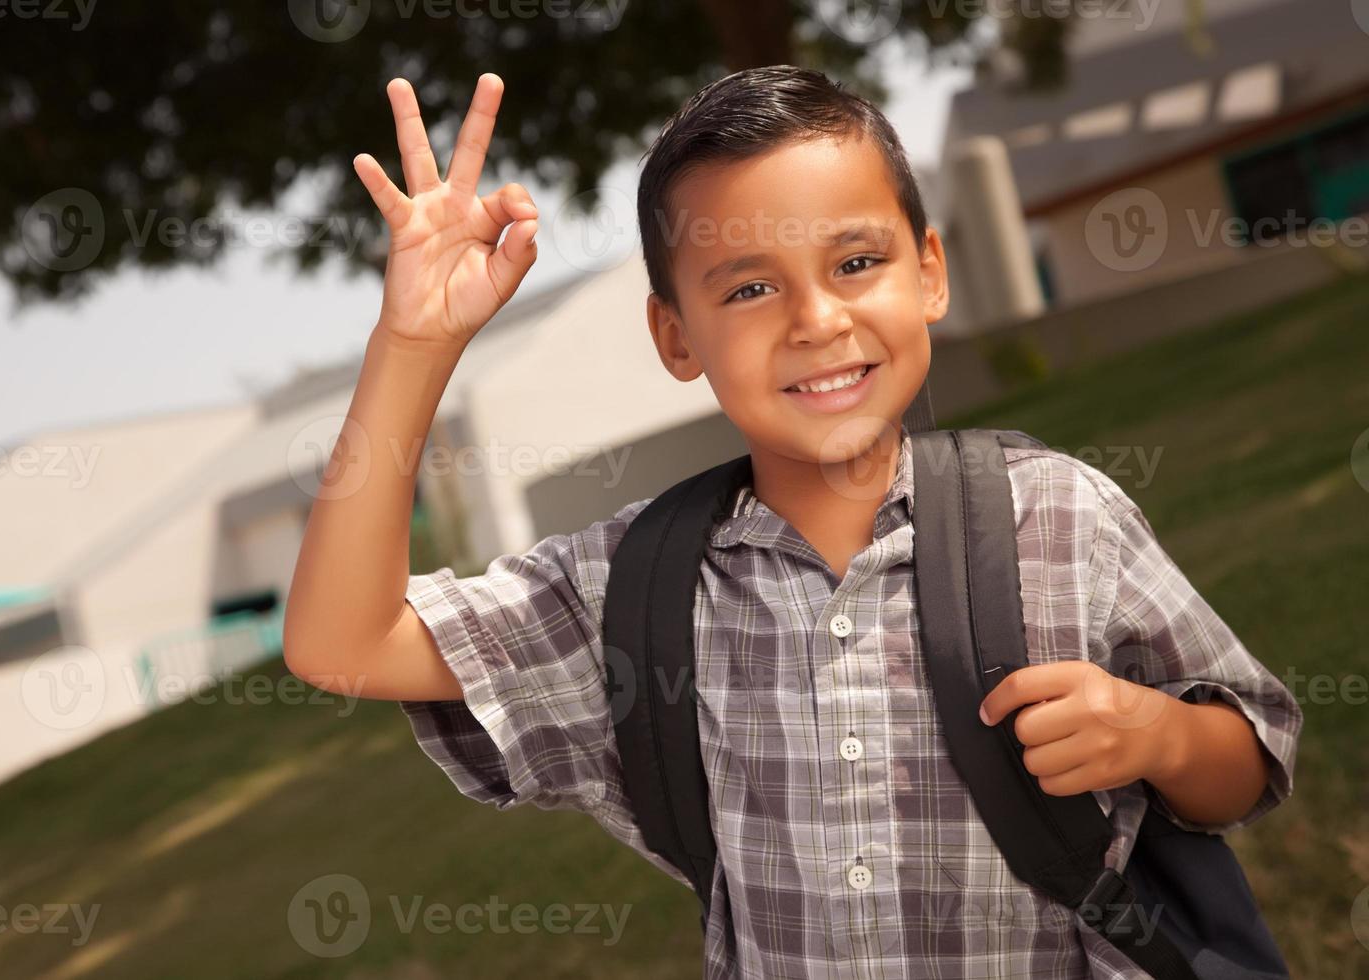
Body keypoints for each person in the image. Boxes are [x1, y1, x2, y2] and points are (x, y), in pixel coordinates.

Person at [284, 65, 1303, 978]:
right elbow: (345, 642)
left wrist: (1160, 732)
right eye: (754, 286)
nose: (817, 319)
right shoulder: (630, 590)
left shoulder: (1060, 512)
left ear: (930, 271)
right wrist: (414, 343)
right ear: (675, 336)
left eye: (856, 262)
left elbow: (1250, 761)